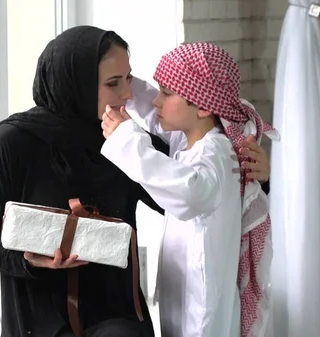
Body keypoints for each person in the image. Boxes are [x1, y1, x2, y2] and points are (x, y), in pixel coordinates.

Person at [0, 26, 271, 337]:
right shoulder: (12, 142)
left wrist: (255, 173)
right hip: (39, 319)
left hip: (117, 318)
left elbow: (187, 191)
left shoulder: (122, 140)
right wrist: (31, 261)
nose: (129, 95)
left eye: (128, 80)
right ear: (77, 84)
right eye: (114, 83)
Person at [99, 42, 278, 337]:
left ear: (204, 105)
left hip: (202, 311)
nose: (157, 101)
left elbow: (191, 193)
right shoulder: (191, 137)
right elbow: (148, 104)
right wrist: (124, 87)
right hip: (184, 296)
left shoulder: (218, 153)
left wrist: (126, 139)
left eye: (167, 93)